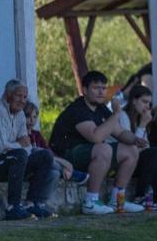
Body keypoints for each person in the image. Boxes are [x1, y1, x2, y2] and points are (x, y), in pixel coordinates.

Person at [50, 71, 143, 215]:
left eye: (104, 88)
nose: (101, 92)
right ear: (85, 90)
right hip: (66, 156)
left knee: (131, 150)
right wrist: (117, 114)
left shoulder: (101, 108)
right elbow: (96, 137)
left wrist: (136, 140)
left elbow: (119, 133)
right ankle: (90, 202)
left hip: (89, 153)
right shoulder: (78, 109)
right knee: (103, 148)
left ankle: (118, 200)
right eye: (96, 88)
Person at [0, 80, 59, 220]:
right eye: (18, 96)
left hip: (11, 161)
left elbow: (28, 145)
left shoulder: (19, 114)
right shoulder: (0, 111)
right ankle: (13, 207)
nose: (22, 101)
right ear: (8, 95)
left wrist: (16, 144)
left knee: (45, 156)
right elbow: (1, 147)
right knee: (18, 155)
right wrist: (19, 144)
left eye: (25, 97)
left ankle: (31, 204)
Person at [121, 85, 157, 209]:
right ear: (133, 100)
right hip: (124, 161)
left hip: (135, 159)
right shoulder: (123, 116)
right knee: (156, 153)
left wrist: (143, 124)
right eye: (144, 102)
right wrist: (143, 124)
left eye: (149, 103)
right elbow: (133, 146)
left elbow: (146, 146)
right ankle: (139, 196)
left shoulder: (138, 118)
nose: (147, 107)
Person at [24, 101, 90, 186]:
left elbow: (49, 152)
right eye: (27, 116)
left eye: (35, 117)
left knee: (53, 170)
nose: (32, 120)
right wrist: (65, 164)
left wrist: (63, 162)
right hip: (29, 167)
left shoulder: (36, 134)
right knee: (42, 155)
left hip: (43, 167)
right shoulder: (21, 135)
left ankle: (65, 171)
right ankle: (70, 173)